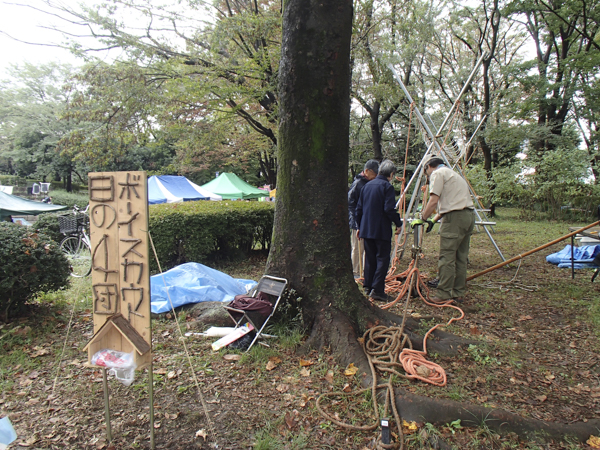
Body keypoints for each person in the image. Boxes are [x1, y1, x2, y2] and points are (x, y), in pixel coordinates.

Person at [420, 156, 475, 302]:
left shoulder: (437, 174)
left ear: (429, 167)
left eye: (426, 173)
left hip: (455, 219)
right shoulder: (454, 175)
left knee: (447, 257)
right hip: (468, 216)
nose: (428, 176)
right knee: (461, 257)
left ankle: (444, 294)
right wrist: (434, 219)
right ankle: (458, 292)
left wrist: (423, 218)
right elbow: (451, 202)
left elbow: (433, 201)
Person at [356, 160, 402, 301]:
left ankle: (367, 286)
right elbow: (389, 209)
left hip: (366, 228)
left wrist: (359, 226)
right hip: (381, 229)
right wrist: (398, 223)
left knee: (370, 258)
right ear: (391, 174)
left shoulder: (367, 186)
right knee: (382, 258)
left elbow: (359, 209)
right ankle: (377, 290)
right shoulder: (387, 187)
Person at [348, 159, 380, 278]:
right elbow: (351, 204)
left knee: (367, 247)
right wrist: (356, 224)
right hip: (357, 220)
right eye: (374, 173)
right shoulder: (358, 184)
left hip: (367, 221)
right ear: (367, 171)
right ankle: (356, 271)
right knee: (357, 247)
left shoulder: (370, 182)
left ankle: (366, 270)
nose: (376, 176)